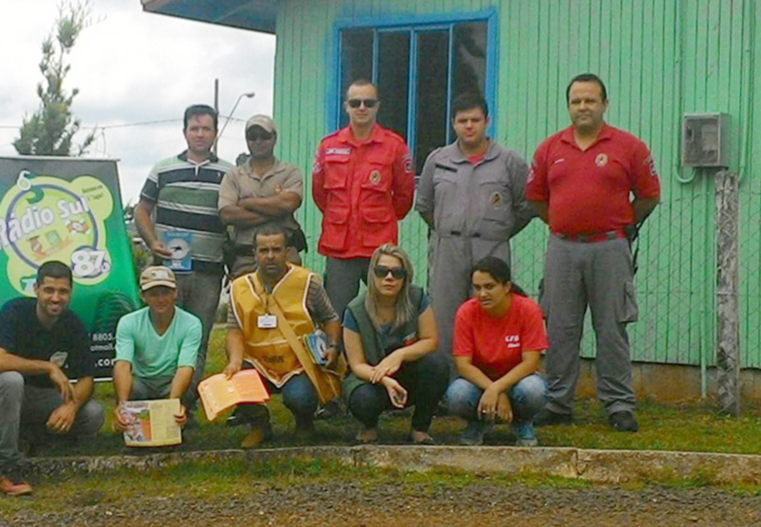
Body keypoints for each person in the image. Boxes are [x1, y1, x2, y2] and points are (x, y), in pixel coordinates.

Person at [525, 73, 660, 432]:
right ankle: (557, 402)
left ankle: (618, 404)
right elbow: (536, 198)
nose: (582, 107)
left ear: (604, 104)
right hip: (563, 250)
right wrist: (563, 221)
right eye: (576, 101)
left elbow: (649, 195)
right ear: (568, 106)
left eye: (590, 100)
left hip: (610, 248)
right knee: (559, 327)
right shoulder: (550, 149)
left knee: (612, 327)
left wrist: (623, 225)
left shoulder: (629, 147)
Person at [416, 94, 533, 359]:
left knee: (491, 316)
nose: (469, 126)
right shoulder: (438, 159)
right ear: (453, 124)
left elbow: (526, 207)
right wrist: (448, 228)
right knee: (446, 318)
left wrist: (499, 231)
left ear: (487, 121)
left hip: (492, 249)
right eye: (462, 120)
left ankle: (488, 388)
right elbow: (424, 206)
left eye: (475, 120)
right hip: (448, 249)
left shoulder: (509, 161)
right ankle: (447, 391)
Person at [134, 105, 233, 408]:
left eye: (206, 128)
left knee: (198, 338)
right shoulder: (162, 168)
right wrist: (152, 242)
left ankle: (183, 406)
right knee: (163, 334)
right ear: (184, 131)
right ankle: (156, 399)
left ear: (215, 133)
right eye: (194, 128)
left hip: (209, 270)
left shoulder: (229, 173)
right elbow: (141, 210)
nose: (200, 134)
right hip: (169, 270)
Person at [0, 261, 104, 496]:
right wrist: (47, 368)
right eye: (49, 290)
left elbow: (87, 378)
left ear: (71, 293)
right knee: (12, 380)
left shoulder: (73, 324)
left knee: (93, 414)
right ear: (36, 289)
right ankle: (7, 466)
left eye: (63, 291)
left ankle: (31, 437)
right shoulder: (14, 311)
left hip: (38, 400)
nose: (56, 298)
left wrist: (71, 407)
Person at [224, 225, 342, 448]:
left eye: (276, 250)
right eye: (264, 250)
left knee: (301, 398)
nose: (270, 256)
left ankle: (305, 423)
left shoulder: (308, 282)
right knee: (235, 379)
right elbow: (234, 329)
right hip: (257, 362)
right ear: (254, 254)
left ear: (287, 252)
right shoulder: (239, 288)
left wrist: (333, 346)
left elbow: (331, 318)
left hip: (297, 363)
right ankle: (260, 426)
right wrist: (235, 362)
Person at [312, 80, 415, 317]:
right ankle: (338, 354)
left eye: (368, 102)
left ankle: (386, 355)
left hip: (379, 246)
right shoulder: (329, 146)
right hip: (340, 247)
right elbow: (320, 195)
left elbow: (404, 196)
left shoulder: (394, 146)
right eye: (355, 102)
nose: (362, 108)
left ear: (377, 106)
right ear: (346, 106)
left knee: (387, 310)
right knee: (335, 314)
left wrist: (383, 217)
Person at [343, 244, 450, 444]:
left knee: (437, 365)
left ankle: (420, 428)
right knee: (363, 400)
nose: (389, 278)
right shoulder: (354, 310)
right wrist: (384, 379)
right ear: (372, 274)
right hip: (371, 377)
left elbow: (431, 340)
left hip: (407, 371)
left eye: (397, 272)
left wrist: (399, 355)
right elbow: (357, 364)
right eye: (382, 271)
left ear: (405, 276)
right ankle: (369, 426)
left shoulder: (417, 297)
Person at [444, 257, 548, 447]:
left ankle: (522, 422)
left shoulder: (528, 309)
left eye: (489, 286)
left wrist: (497, 388)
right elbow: (463, 364)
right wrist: (493, 390)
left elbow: (531, 362)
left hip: (518, 382)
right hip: (479, 384)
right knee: (457, 394)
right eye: (477, 288)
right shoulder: (466, 312)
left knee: (534, 390)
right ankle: (478, 422)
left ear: (506, 286)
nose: (482, 294)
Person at [111, 266, 198, 433]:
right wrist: (123, 404)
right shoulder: (128, 322)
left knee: (192, 384)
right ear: (143, 296)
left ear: (175, 293)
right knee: (129, 386)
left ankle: (179, 419)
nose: (160, 299)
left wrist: (173, 403)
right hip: (141, 382)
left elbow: (185, 367)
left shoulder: (191, 324)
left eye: (165, 292)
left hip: (170, 381)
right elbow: (123, 365)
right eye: (153, 294)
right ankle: (127, 422)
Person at [219, 114, 306, 277]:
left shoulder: (290, 171)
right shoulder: (233, 175)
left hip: (286, 257)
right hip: (244, 257)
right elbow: (227, 214)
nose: (258, 141)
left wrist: (246, 203)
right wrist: (276, 212)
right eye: (252, 137)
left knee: (289, 301)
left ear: (274, 138)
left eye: (264, 136)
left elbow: (289, 203)